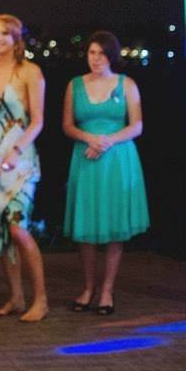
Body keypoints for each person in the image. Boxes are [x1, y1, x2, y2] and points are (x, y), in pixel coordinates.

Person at [63, 30, 148, 316]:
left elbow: (136, 126)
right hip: (86, 158)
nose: (96, 58)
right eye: (91, 53)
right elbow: (68, 126)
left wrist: (108, 141)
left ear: (111, 55)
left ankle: (107, 291)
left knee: (114, 228)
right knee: (85, 228)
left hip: (118, 158)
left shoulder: (127, 85)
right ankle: (87, 288)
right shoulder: (74, 85)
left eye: (101, 53)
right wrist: (90, 139)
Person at [0, 15, 48, 322]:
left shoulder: (30, 72)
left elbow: (38, 120)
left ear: (17, 38)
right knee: (3, 229)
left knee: (18, 227)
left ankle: (40, 300)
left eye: (5, 33)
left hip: (20, 158)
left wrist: (16, 151)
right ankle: (16, 297)